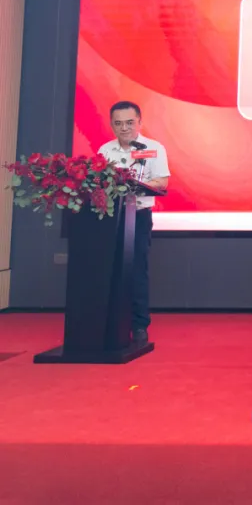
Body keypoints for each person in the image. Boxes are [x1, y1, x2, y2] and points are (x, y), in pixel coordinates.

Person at [98, 101, 170, 348]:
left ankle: (139, 324)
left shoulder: (153, 148)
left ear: (139, 122)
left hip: (138, 216)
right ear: (112, 125)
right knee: (109, 269)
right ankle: (109, 321)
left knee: (137, 270)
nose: (124, 128)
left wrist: (135, 184)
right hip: (110, 218)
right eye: (118, 123)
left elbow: (162, 182)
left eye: (129, 123)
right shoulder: (105, 150)